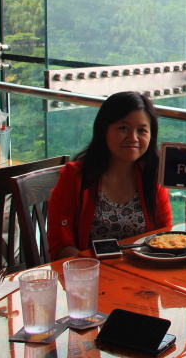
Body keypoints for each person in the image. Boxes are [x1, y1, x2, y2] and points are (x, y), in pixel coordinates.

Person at [47, 91, 172, 260]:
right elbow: (61, 245)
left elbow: (164, 237)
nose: (133, 138)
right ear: (103, 129)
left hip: (143, 273)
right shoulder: (75, 176)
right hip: (89, 275)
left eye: (142, 130)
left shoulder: (153, 175)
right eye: (123, 128)